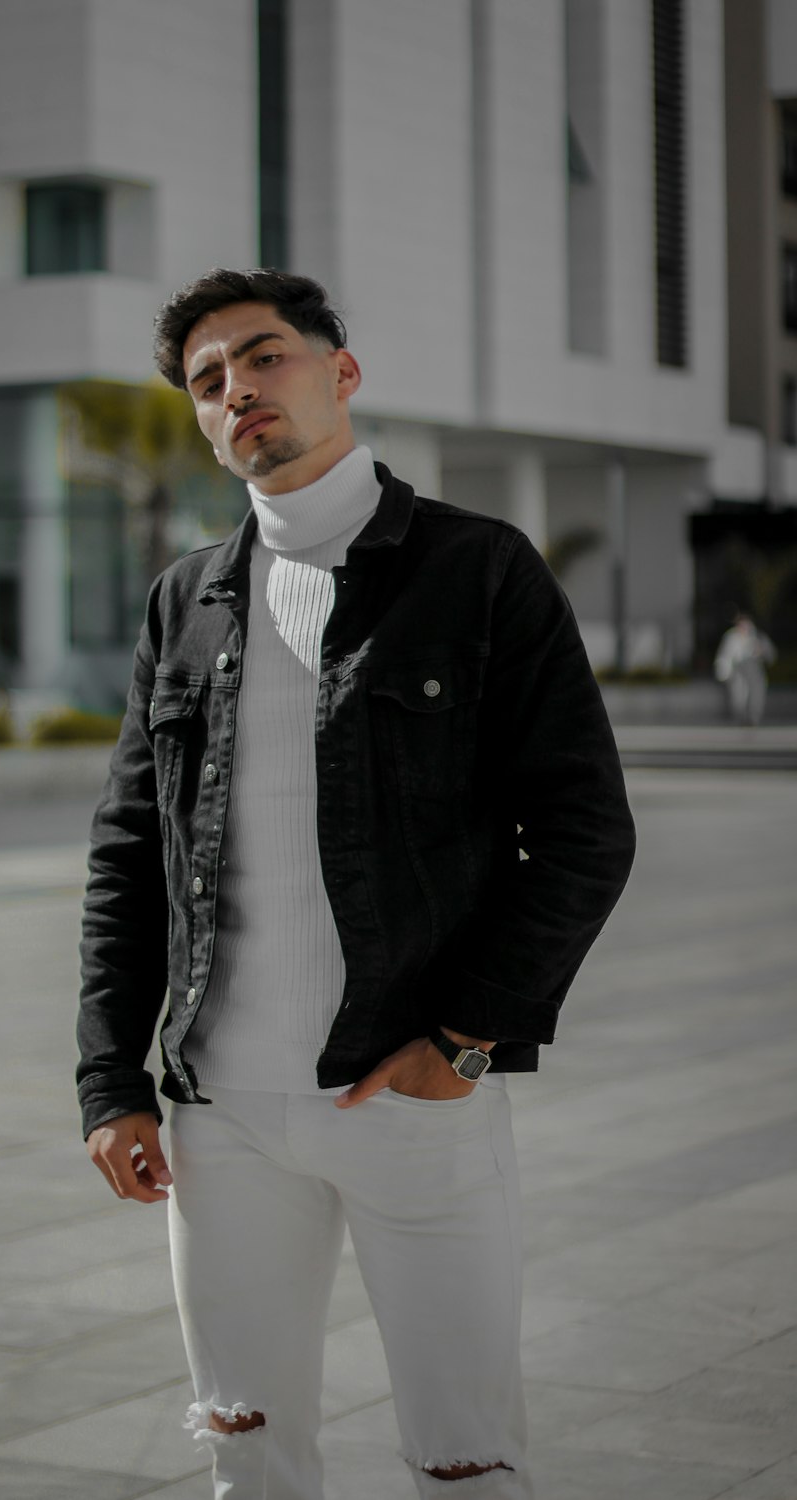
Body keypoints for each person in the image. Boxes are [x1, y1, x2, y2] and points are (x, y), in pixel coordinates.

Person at [76, 268, 636, 1500]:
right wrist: (109, 1078)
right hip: (218, 1119)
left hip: (411, 1096)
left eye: (263, 357)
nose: (237, 392)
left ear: (341, 371)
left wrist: (469, 1038)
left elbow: (588, 829)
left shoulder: (477, 569)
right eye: (207, 382)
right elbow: (130, 853)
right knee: (248, 1456)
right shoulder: (186, 599)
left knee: (465, 1458)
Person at [714, 610, 777, 726]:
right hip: (738, 671)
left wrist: (761, 651)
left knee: (756, 695)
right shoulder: (731, 637)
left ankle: (753, 718)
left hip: (755, 671)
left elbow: (771, 655)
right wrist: (724, 672)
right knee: (739, 695)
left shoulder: (758, 636)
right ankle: (741, 717)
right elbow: (725, 656)